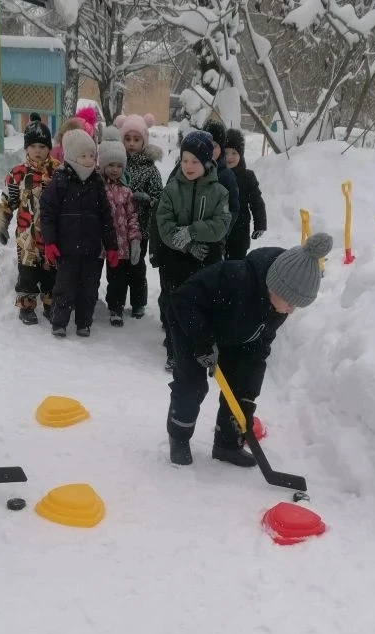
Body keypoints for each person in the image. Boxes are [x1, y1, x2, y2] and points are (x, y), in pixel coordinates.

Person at [165, 233, 333, 467]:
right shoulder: (235, 278)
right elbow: (182, 300)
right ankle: (179, 437)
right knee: (192, 385)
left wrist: (250, 382)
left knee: (243, 386)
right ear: (276, 286)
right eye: (290, 302)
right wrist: (203, 341)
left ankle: (227, 445)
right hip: (191, 325)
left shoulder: (277, 307)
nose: (291, 310)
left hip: (233, 333)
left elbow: (261, 343)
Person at [155, 129, 230, 371]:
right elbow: (164, 225)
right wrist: (187, 244)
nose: (188, 166)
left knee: (203, 305)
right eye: (185, 160)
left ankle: (201, 347)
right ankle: (174, 350)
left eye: (195, 161)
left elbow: (221, 225)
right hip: (176, 258)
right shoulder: (171, 189)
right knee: (175, 304)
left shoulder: (220, 192)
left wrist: (194, 231)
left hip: (207, 259)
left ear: (207, 162)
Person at [40, 127, 119, 338]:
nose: (89, 160)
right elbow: (47, 212)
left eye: (92, 155)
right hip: (66, 249)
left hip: (91, 250)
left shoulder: (96, 183)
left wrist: (111, 246)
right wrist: (49, 241)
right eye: (83, 155)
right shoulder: (60, 181)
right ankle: (59, 322)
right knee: (64, 287)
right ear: (72, 156)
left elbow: (106, 217)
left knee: (89, 289)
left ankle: (84, 322)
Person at [0, 112, 59, 325]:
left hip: (52, 235)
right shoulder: (17, 174)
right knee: (27, 272)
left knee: (52, 271)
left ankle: (51, 303)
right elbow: (8, 201)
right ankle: (26, 306)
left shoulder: (58, 172)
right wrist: (3, 222)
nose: (37, 150)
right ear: (26, 148)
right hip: (27, 236)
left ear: (49, 148)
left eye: (42, 146)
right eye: (33, 146)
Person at [115, 112, 164, 319]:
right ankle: (116, 302)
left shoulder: (150, 169)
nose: (132, 143)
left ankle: (138, 302)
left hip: (141, 227)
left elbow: (159, 197)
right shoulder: (117, 164)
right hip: (119, 226)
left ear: (144, 141)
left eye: (136, 139)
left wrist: (148, 199)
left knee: (136, 266)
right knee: (118, 266)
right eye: (127, 139)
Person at [97, 135, 142, 327]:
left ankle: (116, 307)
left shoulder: (126, 191)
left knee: (117, 279)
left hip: (120, 244)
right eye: (110, 165)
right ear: (103, 165)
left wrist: (135, 239)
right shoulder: (97, 187)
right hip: (98, 242)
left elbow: (132, 217)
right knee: (91, 276)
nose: (115, 169)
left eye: (119, 166)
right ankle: (88, 302)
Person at [224, 128, 267, 260]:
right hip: (218, 228)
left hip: (240, 229)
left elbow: (256, 201)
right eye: (226, 152)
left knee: (237, 262)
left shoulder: (248, 177)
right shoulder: (217, 174)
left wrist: (260, 224)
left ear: (241, 154)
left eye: (234, 153)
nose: (229, 157)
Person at [202, 118, 240, 234]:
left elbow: (233, 208)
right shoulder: (189, 168)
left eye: (215, 145)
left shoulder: (227, 176)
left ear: (221, 148)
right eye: (207, 143)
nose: (210, 148)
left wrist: (221, 233)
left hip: (214, 236)